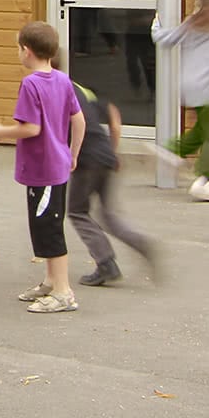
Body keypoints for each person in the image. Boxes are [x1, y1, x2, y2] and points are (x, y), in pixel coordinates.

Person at [0, 21, 86, 314]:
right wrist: (73, 154)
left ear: (26, 52)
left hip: (44, 169)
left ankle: (64, 292)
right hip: (57, 166)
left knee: (48, 228)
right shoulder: (63, 80)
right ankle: (50, 282)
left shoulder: (30, 84)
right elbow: (78, 121)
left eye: (18, 48)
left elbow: (30, 128)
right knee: (46, 224)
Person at [151, 0, 209, 203]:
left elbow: (164, 38)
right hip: (205, 88)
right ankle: (204, 180)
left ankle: (172, 150)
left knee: (202, 130)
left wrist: (156, 22)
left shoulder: (189, 28)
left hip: (187, 85)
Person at [68, 82, 159, 286]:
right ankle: (141, 244)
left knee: (77, 211)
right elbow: (113, 115)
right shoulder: (84, 90)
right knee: (108, 216)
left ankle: (106, 263)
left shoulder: (57, 89)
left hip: (86, 158)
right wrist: (113, 150)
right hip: (105, 155)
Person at [120, 0, 157, 95]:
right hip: (131, 33)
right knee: (131, 61)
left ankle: (152, 88)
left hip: (144, 33)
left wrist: (141, 21)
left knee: (147, 62)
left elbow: (152, 16)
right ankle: (136, 87)